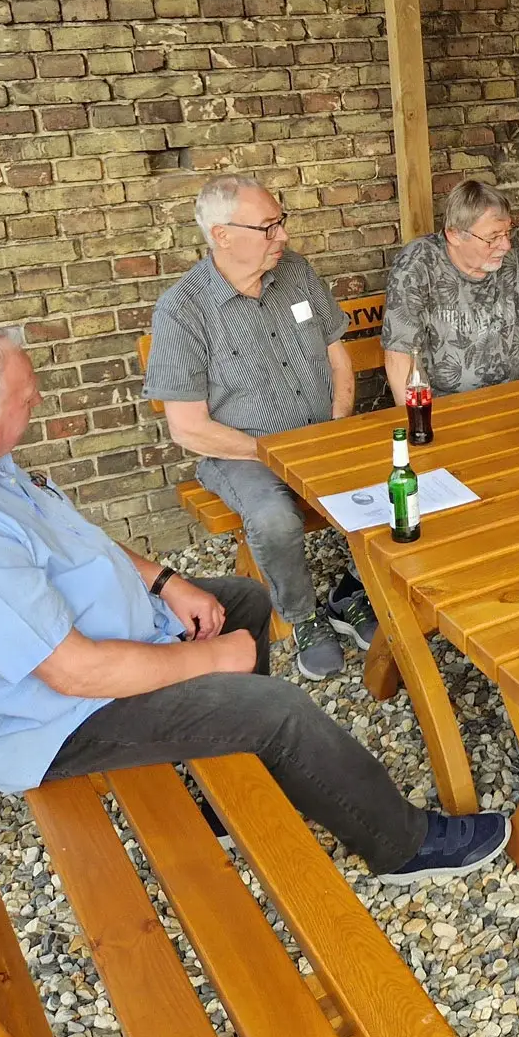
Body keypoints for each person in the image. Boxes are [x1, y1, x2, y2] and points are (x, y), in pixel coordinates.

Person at [0, 326, 511, 883]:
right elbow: (78, 673)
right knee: (277, 711)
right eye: (26, 398)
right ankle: (403, 845)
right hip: (58, 720)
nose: (38, 401)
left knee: (241, 600)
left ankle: (231, 786)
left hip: (87, 651)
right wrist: (213, 661)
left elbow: (66, 538)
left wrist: (165, 582)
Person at [143, 176, 375, 683]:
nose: (283, 236)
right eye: (268, 227)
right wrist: (274, 454)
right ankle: (302, 616)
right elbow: (189, 428)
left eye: (280, 222)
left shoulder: (295, 272)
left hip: (322, 432)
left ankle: (351, 593)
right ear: (222, 235)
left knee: (399, 479)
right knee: (274, 520)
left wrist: (338, 427)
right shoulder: (183, 311)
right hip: (241, 454)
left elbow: (338, 356)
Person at [381, 179, 519, 398]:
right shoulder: (417, 264)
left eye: (507, 232)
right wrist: (418, 417)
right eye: (492, 238)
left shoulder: (517, 256)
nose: (506, 245)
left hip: (515, 392)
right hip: (446, 403)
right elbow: (399, 355)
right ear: (454, 234)